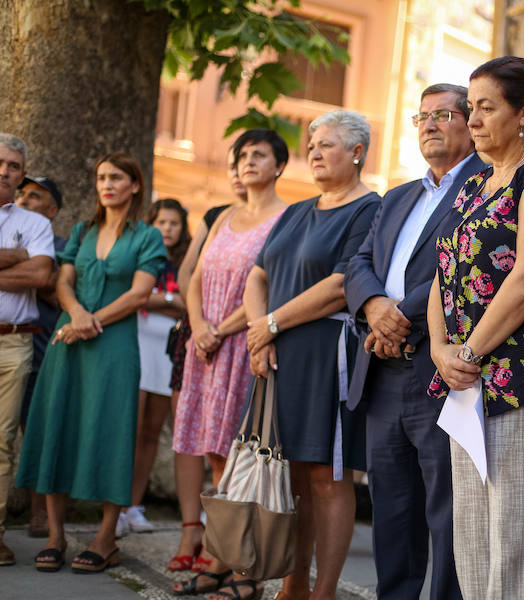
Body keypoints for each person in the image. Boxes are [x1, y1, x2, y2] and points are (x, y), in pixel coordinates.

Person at [425, 58, 524, 599]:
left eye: (487, 107)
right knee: (470, 536)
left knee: (516, 537)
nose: (472, 119)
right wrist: (441, 349)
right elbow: (443, 273)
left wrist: (466, 350)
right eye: (471, 108)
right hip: (467, 380)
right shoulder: (474, 186)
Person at [344, 83, 485, 600]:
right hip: (383, 372)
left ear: (471, 123)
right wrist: (376, 309)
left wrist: (399, 315)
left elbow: (463, 266)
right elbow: (358, 263)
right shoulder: (399, 195)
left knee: (446, 510)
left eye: (443, 114)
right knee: (393, 508)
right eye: (421, 116)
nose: (428, 124)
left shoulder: (487, 185)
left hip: (440, 370)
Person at [243, 109, 380, 600]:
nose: (314, 153)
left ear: (358, 151)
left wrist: (270, 325)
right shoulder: (296, 210)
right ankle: (293, 581)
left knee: (328, 475)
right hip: (278, 355)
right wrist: (261, 334)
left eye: (326, 145)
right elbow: (258, 274)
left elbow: (343, 285)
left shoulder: (370, 209)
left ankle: (324, 590)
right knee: (292, 472)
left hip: (328, 354)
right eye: (312, 146)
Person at [16, 151, 167, 573]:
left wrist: (91, 321)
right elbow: (62, 280)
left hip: (114, 344)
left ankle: (105, 538)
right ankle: (55, 536)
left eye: (117, 177)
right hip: (70, 338)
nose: (107, 184)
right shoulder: (82, 231)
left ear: (135, 185)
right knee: (57, 425)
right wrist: (77, 315)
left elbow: (140, 293)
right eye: (101, 176)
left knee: (113, 429)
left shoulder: (147, 237)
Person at [172, 129, 286, 599]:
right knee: (214, 453)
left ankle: (235, 562)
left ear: (279, 165)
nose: (247, 162)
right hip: (205, 347)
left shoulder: (285, 217)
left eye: (259, 154)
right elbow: (196, 277)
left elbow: (267, 284)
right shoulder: (225, 217)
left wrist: (222, 330)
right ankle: (221, 556)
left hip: (242, 346)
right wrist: (199, 326)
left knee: (238, 458)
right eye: (241, 156)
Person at [167, 153, 246, 572]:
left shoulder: (274, 218)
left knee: (224, 441)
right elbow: (187, 274)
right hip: (195, 336)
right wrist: (200, 326)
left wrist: (219, 329)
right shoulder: (216, 214)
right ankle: (189, 528)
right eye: (233, 165)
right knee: (189, 432)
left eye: (249, 162)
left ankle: (220, 538)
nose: (238, 172)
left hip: (232, 339)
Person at [116, 198, 191, 537]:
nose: (168, 229)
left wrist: (165, 300)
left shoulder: (186, 261)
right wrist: (170, 302)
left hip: (167, 353)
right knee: (128, 429)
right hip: (136, 345)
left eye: (174, 223)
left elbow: (191, 302)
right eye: (162, 222)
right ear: (151, 224)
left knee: (151, 432)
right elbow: (133, 296)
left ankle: (133, 505)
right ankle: (113, 506)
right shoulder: (141, 255)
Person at [0, 135, 54, 566]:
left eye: (14, 165)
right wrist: (13, 256)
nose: (5, 170)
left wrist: (25, 258)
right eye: (0, 162)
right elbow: (26, 265)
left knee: (1, 444)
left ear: (21, 175)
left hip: (14, 341)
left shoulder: (35, 223)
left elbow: (39, 274)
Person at [15, 175, 67, 540]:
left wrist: (32, 269)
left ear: (52, 210)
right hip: (13, 347)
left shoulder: (61, 245)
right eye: (22, 194)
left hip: (43, 355)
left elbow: (48, 283)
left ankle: (39, 514)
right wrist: (25, 262)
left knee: (37, 434)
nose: (24, 200)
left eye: (35, 196)